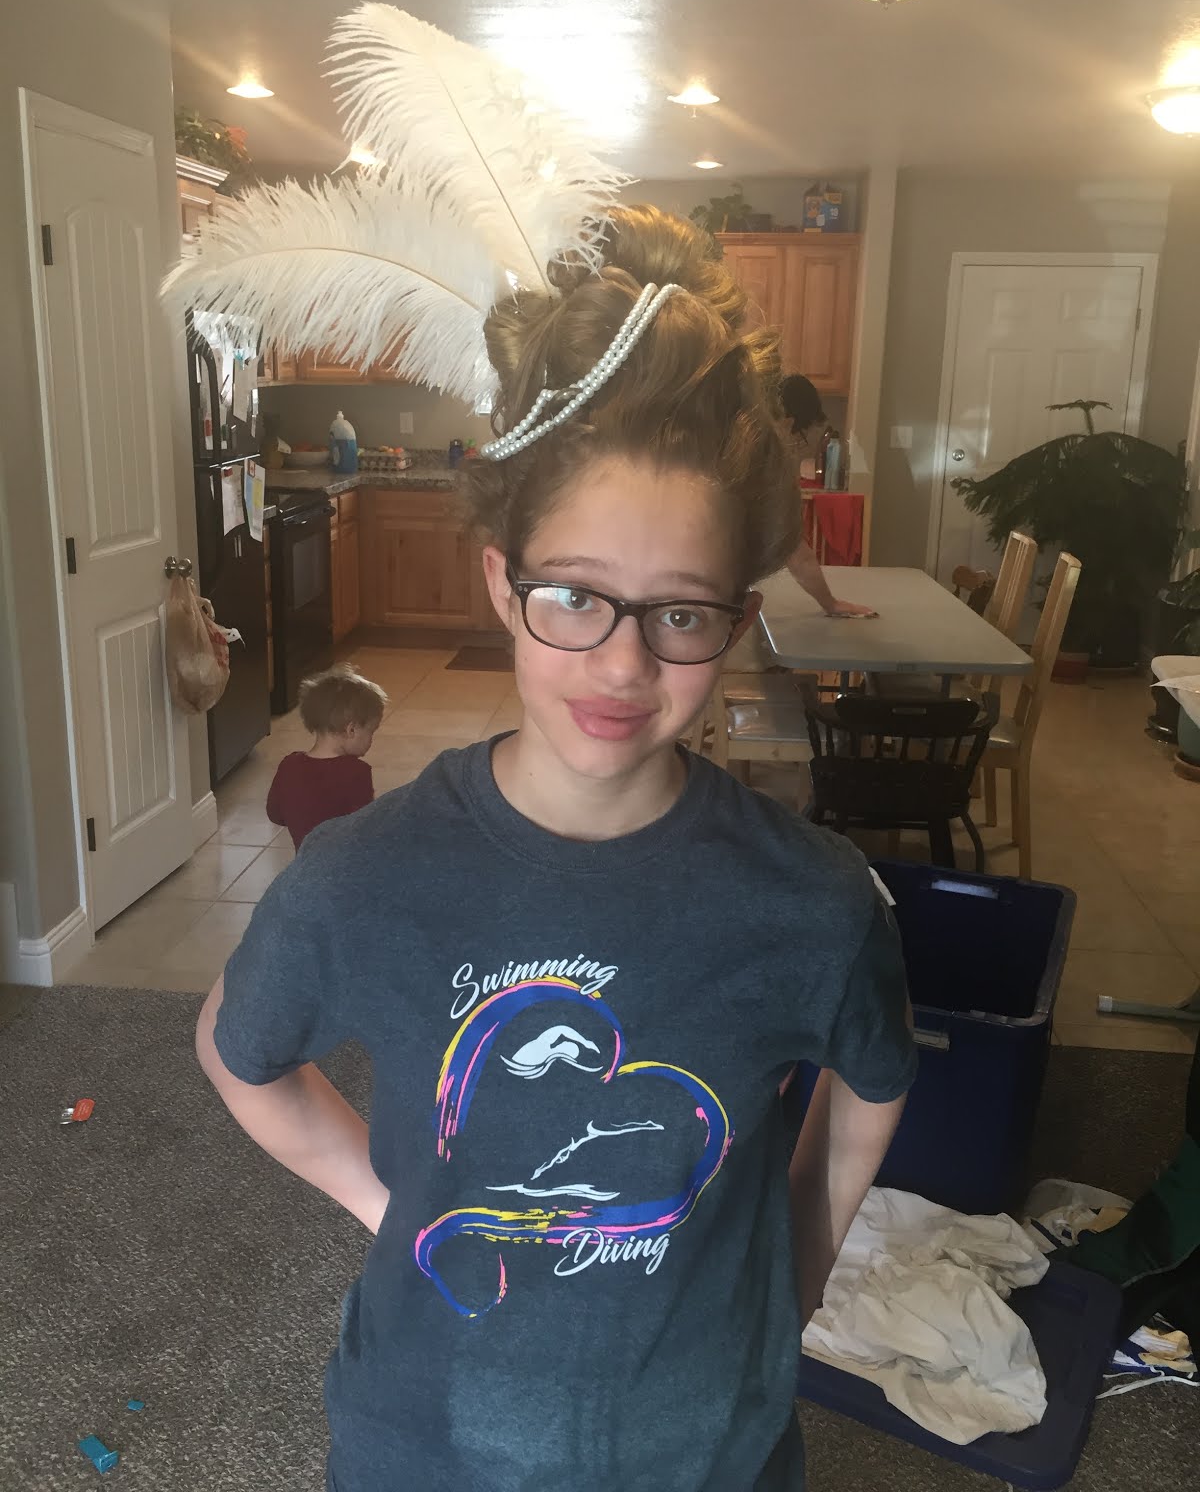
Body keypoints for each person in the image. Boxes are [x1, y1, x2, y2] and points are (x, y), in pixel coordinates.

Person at [195, 205, 916, 1492]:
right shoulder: (365, 876)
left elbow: (873, 1081)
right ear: (499, 582)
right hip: (427, 1448)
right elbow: (237, 1047)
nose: (624, 664)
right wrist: (387, 1202)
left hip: (707, 1452)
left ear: (737, 617)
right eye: (574, 595)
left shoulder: (814, 901)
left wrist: (796, 1268)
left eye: (679, 614)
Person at [779, 372, 876, 619]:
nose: (795, 442)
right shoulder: (769, 468)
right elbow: (797, 553)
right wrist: (831, 604)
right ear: (788, 422)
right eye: (798, 433)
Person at [265, 665, 386, 850]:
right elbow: (365, 830)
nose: (371, 739)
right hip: (345, 864)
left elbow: (275, 814)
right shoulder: (356, 772)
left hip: (305, 863)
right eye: (371, 731)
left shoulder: (289, 766)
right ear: (351, 730)